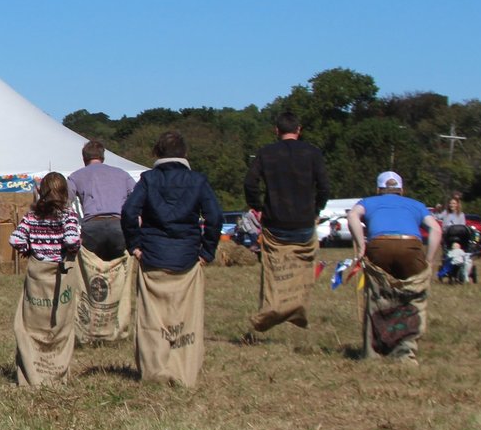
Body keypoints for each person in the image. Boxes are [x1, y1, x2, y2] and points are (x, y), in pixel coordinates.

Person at [122, 131, 222, 388]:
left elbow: (129, 211)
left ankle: (154, 369)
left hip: (153, 255)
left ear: (157, 153)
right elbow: (215, 216)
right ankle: (182, 370)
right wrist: (206, 251)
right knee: (184, 318)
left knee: (152, 318)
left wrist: (134, 245)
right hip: (187, 257)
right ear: (185, 153)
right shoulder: (197, 181)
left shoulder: (148, 179)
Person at [243, 111, 332, 331]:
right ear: (298, 130)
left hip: (275, 223)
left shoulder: (266, 153)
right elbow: (325, 187)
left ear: (276, 130)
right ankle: (296, 307)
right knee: (302, 267)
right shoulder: (313, 153)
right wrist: (316, 209)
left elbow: (250, 183)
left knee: (275, 268)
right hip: (303, 221)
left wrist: (258, 209)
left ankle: (273, 308)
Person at [347, 172, 441, 363]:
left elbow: (352, 216)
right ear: (401, 190)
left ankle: (373, 352)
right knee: (411, 298)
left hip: (379, 245)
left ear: (378, 190)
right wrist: (429, 260)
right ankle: (405, 351)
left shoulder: (368, 201)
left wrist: (361, 246)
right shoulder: (416, 204)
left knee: (377, 296)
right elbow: (436, 229)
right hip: (411, 247)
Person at [9, 171, 82, 387]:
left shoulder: (32, 216)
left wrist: (27, 248)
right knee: (60, 324)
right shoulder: (68, 214)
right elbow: (71, 238)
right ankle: (56, 373)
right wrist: (71, 248)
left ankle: (32, 372)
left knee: (32, 324)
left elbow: (15, 238)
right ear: (64, 192)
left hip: (37, 275)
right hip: (59, 274)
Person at [67, 139, 135, 260]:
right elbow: (136, 197)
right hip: (118, 224)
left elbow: (65, 201)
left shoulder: (76, 176)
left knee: (93, 270)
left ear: (84, 158)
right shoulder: (122, 174)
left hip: (92, 225)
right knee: (118, 266)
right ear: (103, 157)